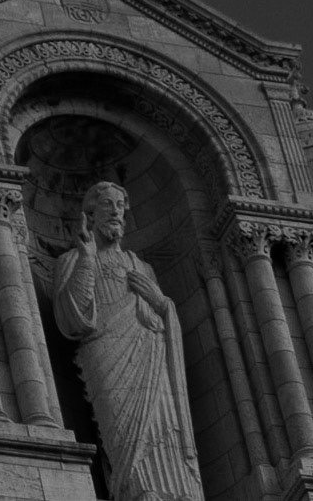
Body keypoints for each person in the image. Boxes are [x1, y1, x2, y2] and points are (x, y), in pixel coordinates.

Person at [53, 181, 203, 501]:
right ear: (90, 215)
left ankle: (176, 492)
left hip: (151, 355)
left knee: (163, 424)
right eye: (108, 205)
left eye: (120, 206)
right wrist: (86, 259)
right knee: (119, 431)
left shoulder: (142, 266)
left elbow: (164, 313)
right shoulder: (71, 260)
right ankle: (132, 491)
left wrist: (162, 303)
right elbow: (72, 318)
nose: (116, 212)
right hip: (105, 358)